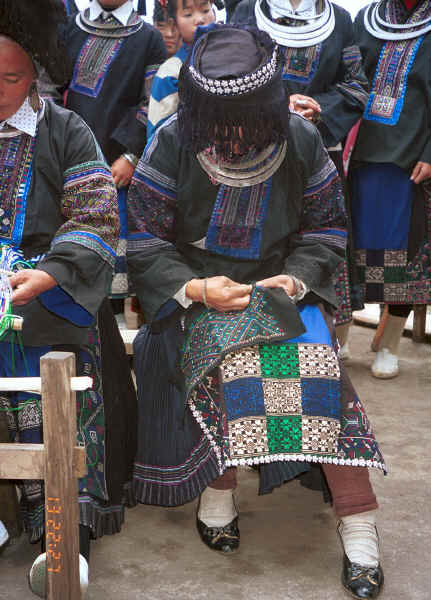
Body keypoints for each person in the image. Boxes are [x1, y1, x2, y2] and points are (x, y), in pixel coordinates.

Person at [128, 24, 386, 599]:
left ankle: (360, 520)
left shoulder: (300, 137)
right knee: (229, 363)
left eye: (247, 116)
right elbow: (143, 241)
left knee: (318, 368)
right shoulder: (172, 141)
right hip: (196, 294)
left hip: (282, 289)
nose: (236, 133)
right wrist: (196, 290)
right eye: (222, 120)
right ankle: (218, 492)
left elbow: (325, 228)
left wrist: (294, 280)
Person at [0, 1, 137, 597]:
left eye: (10, 77)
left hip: (47, 289)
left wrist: (50, 274)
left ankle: (62, 531)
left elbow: (96, 216)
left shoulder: (65, 129)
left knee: (47, 372)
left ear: (36, 76)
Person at [229, 0, 370, 356]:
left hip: (318, 152)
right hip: (255, 151)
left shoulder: (338, 20)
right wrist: (275, 104)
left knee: (319, 236)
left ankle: (323, 339)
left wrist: (319, 108)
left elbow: (356, 86)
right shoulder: (247, 11)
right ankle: (249, 330)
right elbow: (227, 74)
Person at [348, 0, 431, 378]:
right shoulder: (364, 19)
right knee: (347, 244)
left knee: (400, 252)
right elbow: (344, 80)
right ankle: (339, 337)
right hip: (355, 153)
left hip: (409, 157)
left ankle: (391, 344)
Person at [62, 0, 166, 299]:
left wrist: (131, 154)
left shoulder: (148, 38)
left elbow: (152, 102)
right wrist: (57, 144)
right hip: (68, 155)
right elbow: (48, 88)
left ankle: (115, 305)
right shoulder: (69, 28)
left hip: (117, 162)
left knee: (115, 229)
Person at [146, 0, 215, 140]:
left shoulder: (231, 52)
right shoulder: (170, 72)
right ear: (174, 24)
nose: (200, 20)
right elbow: (159, 138)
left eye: (205, 10)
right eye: (188, 14)